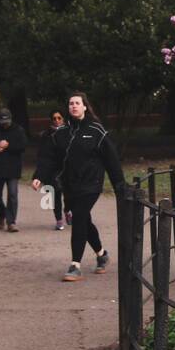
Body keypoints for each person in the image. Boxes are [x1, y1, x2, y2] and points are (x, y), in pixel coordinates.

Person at [32, 92, 127, 282]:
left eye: (77, 103)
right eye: (71, 104)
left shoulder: (96, 131)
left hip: (91, 184)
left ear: (85, 107)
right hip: (70, 185)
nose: (74, 106)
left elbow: (112, 161)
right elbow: (48, 158)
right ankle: (102, 254)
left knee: (79, 217)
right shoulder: (61, 134)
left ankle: (75, 265)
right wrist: (39, 176)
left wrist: (119, 186)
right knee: (84, 220)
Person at [37, 110, 67, 230]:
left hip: (67, 168)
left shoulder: (69, 132)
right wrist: (38, 175)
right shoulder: (46, 135)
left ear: (63, 119)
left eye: (59, 118)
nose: (57, 120)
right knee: (55, 194)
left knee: (70, 194)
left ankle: (68, 211)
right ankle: (59, 219)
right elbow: (42, 155)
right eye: (54, 118)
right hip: (52, 169)